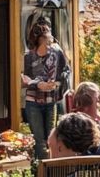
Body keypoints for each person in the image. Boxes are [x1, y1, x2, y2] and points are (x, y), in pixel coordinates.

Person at [22, 22, 70, 161]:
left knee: (51, 138)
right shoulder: (29, 56)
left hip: (51, 100)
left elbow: (65, 72)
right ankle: (42, 173)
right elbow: (26, 78)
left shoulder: (57, 52)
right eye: (47, 36)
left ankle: (51, 169)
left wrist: (57, 84)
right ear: (39, 39)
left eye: (49, 35)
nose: (50, 38)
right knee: (39, 139)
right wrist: (38, 84)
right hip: (33, 102)